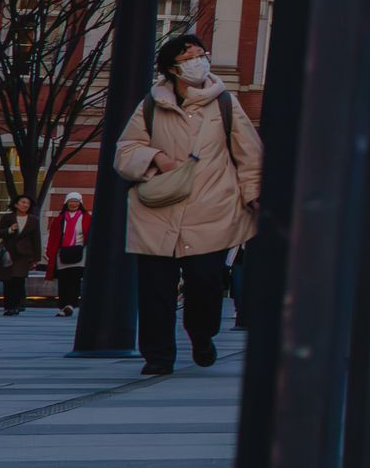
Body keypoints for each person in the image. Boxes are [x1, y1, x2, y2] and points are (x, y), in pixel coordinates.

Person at [111, 31, 263, 376]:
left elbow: (249, 154)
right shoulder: (151, 104)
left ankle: (202, 335)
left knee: (205, 283)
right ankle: (158, 356)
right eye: (189, 57)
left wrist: (253, 195)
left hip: (211, 207)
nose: (198, 62)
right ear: (172, 68)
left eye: (201, 55)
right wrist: (156, 158)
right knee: (155, 290)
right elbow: (125, 151)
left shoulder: (225, 102)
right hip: (157, 209)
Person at [48, 191, 90, 317]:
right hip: (62, 252)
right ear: (66, 203)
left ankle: (71, 304)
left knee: (75, 279)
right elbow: (53, 236)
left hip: (79, 252)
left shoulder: (86, 218)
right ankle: (62, 305)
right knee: (63, 280)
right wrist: (49, 251)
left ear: (80, 203)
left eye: (76, 201)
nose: (73, 204)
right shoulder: (60, 219)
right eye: (71, 201)